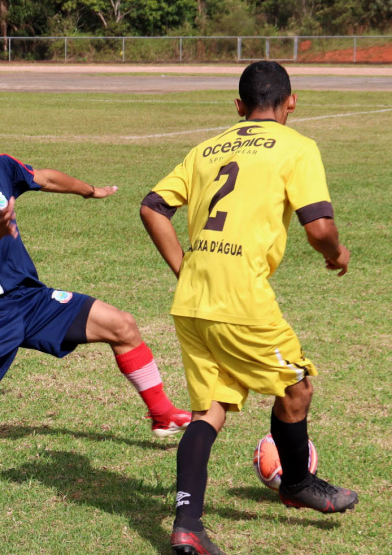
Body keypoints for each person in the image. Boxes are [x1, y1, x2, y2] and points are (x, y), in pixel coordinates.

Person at [0, 98, 191, 479]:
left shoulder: (0, 167)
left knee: (122, 325)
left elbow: (44, 177)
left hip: (31, 298)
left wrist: (88, 190)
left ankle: (161, 414)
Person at [140, 61, 358, 555]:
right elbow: (319, 229)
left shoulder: (205, 148)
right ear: (291, 102)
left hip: (192, 299)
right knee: (297, 386)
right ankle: (298, 483)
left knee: (208, 411)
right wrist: (336, 254)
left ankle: (187, 525)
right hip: (241, 299)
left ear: (238, 108)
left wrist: (184, 268)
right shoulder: (297, 146)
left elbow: (152, 206)